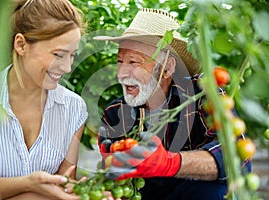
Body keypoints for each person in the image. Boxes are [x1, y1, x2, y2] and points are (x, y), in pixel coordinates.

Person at [94, 8, 251, 200]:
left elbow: (236, 156)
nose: (122, 73)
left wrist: (170, 163)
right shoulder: (114, 114)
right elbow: (119, 184)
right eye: (120, 61)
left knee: (212, 190)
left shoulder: (201, 93)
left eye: (134, 62)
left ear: (167, 68)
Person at [0, 0, 88, 199]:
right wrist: (29, 184)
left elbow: (64, 182)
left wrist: (75, 189)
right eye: (58, 55)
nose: (67, 67)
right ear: (21, 45)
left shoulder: (74, 108)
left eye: (72, 56)